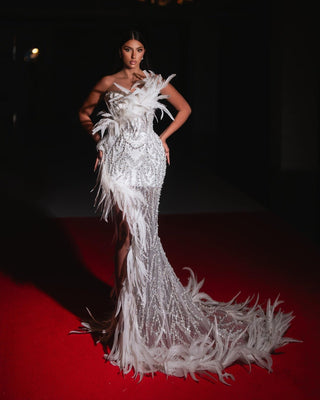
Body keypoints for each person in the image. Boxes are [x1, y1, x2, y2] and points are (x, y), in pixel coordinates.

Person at [70, 29, 298, 383]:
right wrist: (100, 143)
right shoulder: (108, 81)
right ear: (120, 51)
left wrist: (162, 139)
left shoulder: (155, 80)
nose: (134, 55)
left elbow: (185, 108)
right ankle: (122, 315)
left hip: (148, 160)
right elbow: (85, 113)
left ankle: (140, 312)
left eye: (140, 49)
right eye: (129, 49)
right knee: (124, 233)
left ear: (145, 53)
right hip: (118, 162)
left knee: (143, 234)